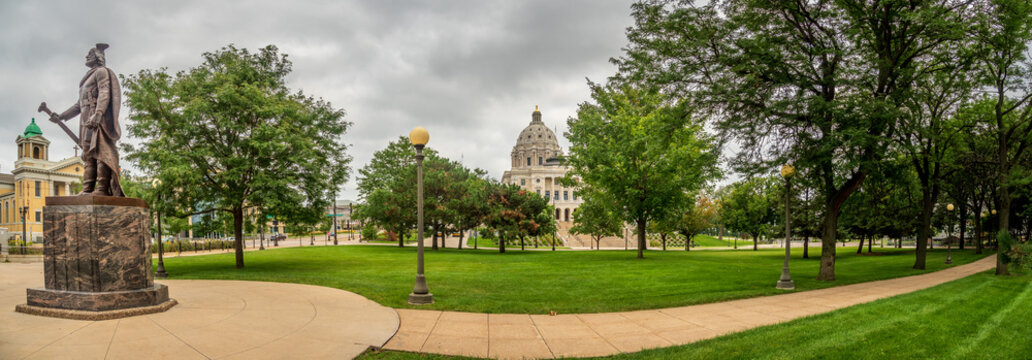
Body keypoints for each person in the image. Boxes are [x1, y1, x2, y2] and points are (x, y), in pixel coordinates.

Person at [48, 43, 123, 196]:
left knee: (102, 153)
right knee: (88, 155)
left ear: (98, 57)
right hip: (86, 122)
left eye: (90, 54)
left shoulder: (102, 72)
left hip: (98, 121)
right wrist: (62, 116)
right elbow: (79, 105)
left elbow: (104, 93)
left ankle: (102, 189)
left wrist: (98, 113)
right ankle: (87, 189)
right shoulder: (86, 79)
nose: (86, 57)